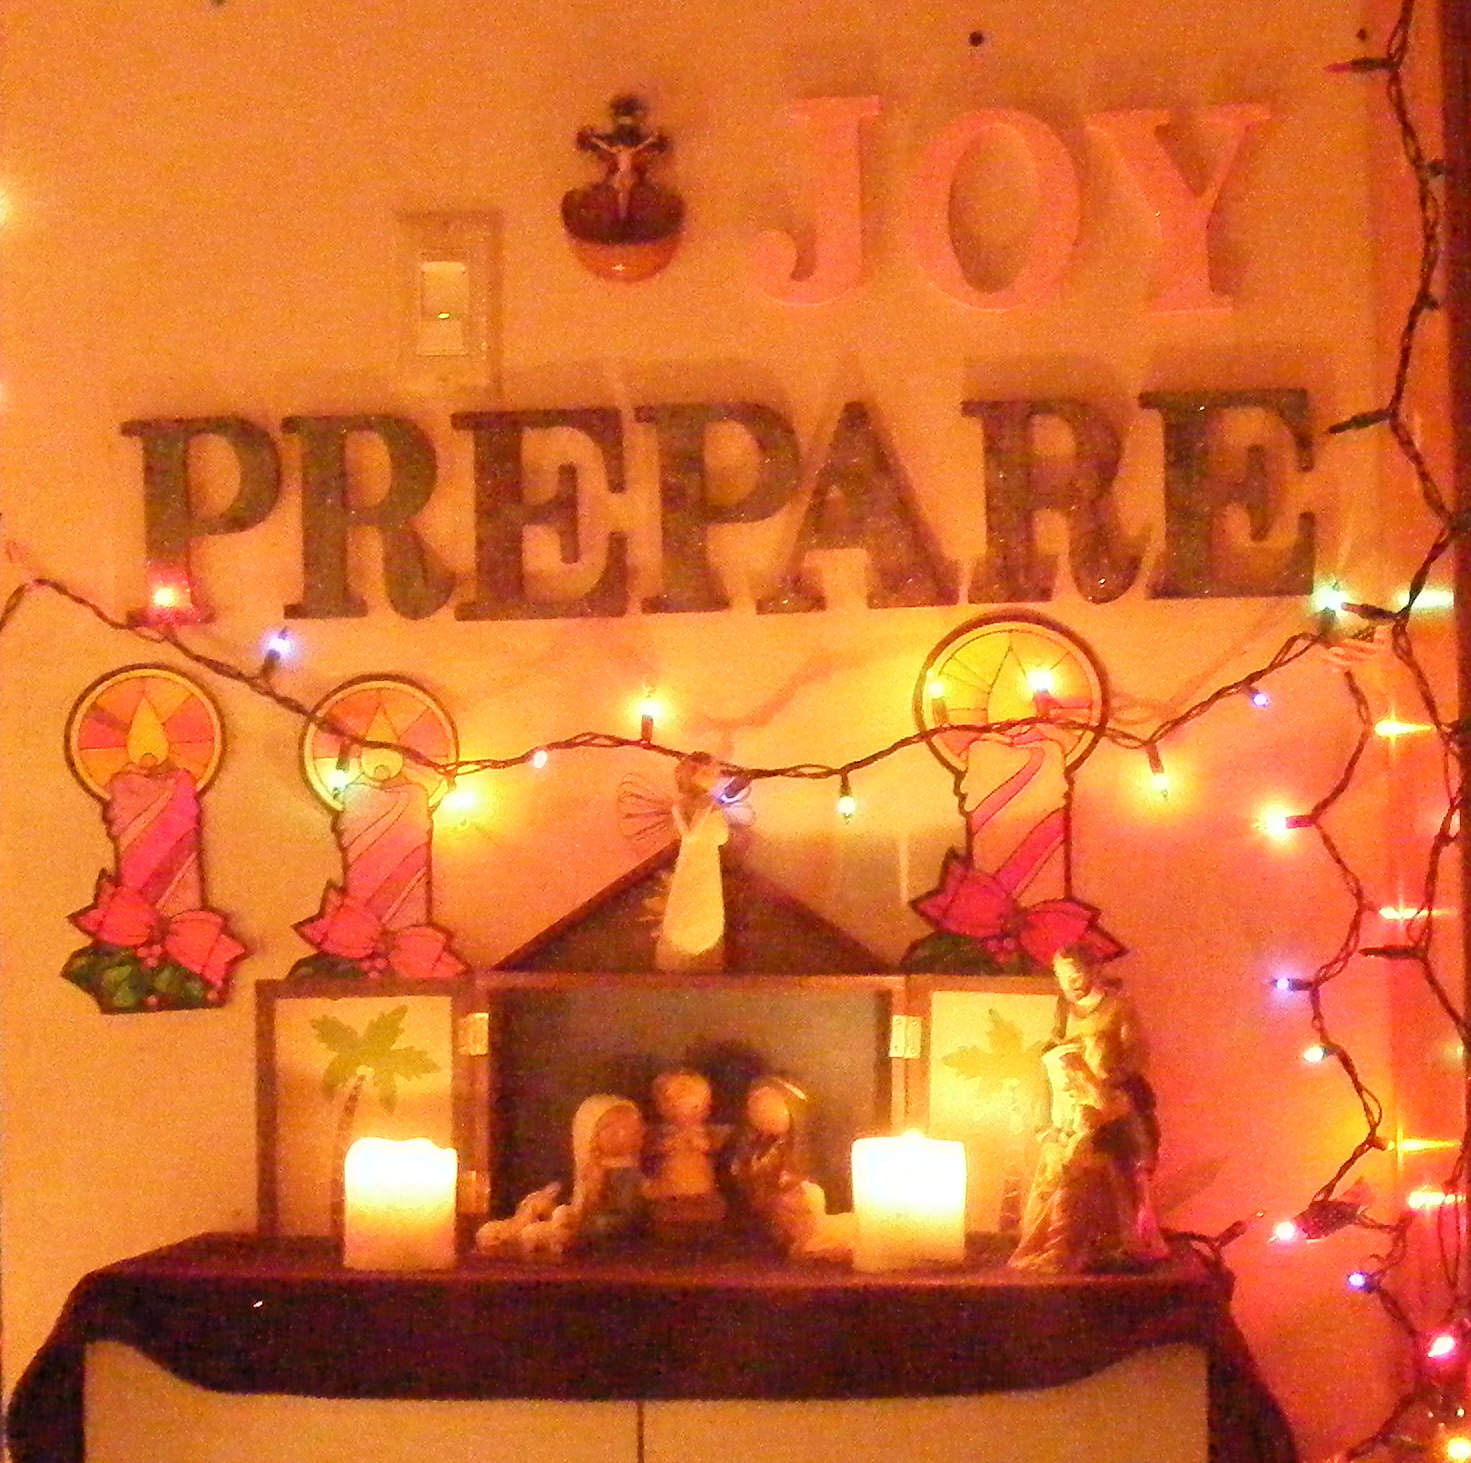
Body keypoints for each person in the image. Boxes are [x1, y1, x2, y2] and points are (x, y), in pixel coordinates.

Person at [1010, 945, 1169, 1271]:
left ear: (1094, 970)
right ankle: (1059, 1243)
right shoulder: (1064, 1010)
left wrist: (1106, 1082)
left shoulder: (1118, 1007)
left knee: (1100, 1169)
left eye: (1075, 975)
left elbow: (1135, 1055)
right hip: (1070, 1100)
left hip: (1106, 1101)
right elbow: (1057, 1046)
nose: (1069, 983)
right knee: (1060, 1167)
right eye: (1062, 977)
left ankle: (1105, 1243)